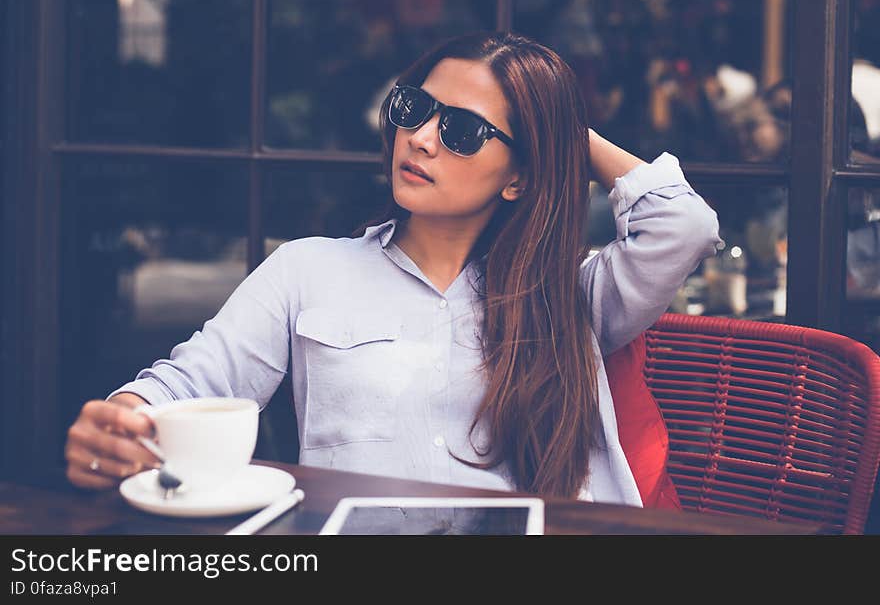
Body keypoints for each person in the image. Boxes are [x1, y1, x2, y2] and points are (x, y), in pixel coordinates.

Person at [65, 31, 721, 503]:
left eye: (463, 130)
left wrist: (564, 133)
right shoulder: (306, 270)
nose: (423, 137)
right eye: (415, 108)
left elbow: (684, 225)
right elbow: (194, 377)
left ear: (518, 176)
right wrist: (125, 417)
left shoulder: (569, 299)